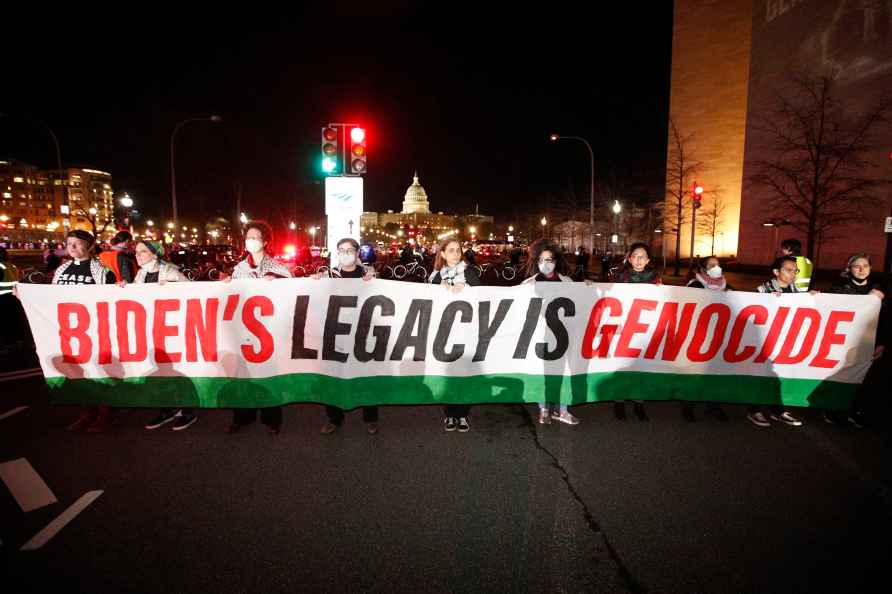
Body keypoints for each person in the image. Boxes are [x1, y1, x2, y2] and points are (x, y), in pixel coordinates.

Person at [224, 221, 292, 435]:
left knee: (269, 374)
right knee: (243, 375)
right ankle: (243, 416)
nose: (251, 241)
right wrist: (226, 284)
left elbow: (292, 294)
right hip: (243, 332)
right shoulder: (239, 269)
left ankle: (272, 418)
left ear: (265, 241)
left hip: (269, 333)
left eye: (255, 237)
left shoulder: (277, 268)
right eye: (248, 237)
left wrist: (277, 283)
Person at [126, 240, 197, 432]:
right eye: (136, 252)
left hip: (173, 331)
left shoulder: (170, 272)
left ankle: (187, 410)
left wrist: (173, 289)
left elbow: (192, 294)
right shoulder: (141, 274)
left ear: (154, 254)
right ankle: (167, 408)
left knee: (178, 371)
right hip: (152, 330)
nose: (137, 255)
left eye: (142, 251)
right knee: (160, 372)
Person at [50, 231, 117, 432]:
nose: (72, 248)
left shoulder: (102, 271)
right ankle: (87, 412)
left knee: (98, 372)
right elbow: (51, 296)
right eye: (69, 244)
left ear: (89, 246)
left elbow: (111, 299)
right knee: (78, 373)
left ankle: (105, 413)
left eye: (77, 244)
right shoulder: (61, 270)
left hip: (95, 331)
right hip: (70, 331)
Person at [313, 237, 378, 435]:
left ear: (357, 253)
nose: (345, 253)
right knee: (334, 376)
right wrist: (314, 283)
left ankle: (370, 418)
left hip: (362, 333)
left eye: (349, 250)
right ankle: (334, 418)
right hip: (335, 332)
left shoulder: (368, 275)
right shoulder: (328, 276)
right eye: (341, 250)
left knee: (366, 375)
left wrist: (374, 280)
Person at [522, 240, 583, 426]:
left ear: (556, 261)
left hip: (562, 338)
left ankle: (562, 410)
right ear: (535, 261)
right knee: (542, 374)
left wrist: (587, 287)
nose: (545, 263)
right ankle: (544, 409)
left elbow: (581, 306)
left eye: (549, 259)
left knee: (563, 373)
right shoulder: (527, 285)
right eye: (541, 260)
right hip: (539, 338)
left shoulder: (568, 282)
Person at [825, 253, 888, 427]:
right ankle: (832, 409)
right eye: (857, 266)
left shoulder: (880, 289)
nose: (861, 270)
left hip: (868, 341)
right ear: (849, 269)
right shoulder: (839, 287)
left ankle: (854, 410)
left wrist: (882, 343)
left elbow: (883, 319)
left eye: (865, 266)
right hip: (843, 341)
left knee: (863, 378)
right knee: (841, 375)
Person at [748, 255, 809, 428]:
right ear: (776, 272)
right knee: (762, 375)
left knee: (782, 375)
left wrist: (812, 298)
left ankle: (778, 410)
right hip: (765, 341)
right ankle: (755, 409)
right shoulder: (762, 290)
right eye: (788, 270)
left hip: (786, 341)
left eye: (795, 270)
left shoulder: (797, 292)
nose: (793, 274)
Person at [429, 237, 481, 432]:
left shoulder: (469, 272)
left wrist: (465, 286)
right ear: (442, 254)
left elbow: (481, 292)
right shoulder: (435, 276)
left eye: (458, 250)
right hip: (444, 333)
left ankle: (462, 414)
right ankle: (450, 414)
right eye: (450, 250)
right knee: (449, 374)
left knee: (465, 373)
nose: (455, 254)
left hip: (466, 331)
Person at [611, 242, 661, 421]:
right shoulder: (620, 276)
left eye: (643, 256)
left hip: (644, 331)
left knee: (641, 367)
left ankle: (639, 404)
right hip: (623, 328)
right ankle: (619, 402)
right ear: (630, 258)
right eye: (635, 256)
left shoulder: (655, 279)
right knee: (622, 366)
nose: (639, 260)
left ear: (648, 260)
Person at [683, 256, 732, 422]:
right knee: (695, 372)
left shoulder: (727, 286)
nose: (716, 268)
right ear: (703, 269)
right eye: (711, 265)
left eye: (718, 265)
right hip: (697, 336)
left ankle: (714, 406)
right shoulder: (694, 285)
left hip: (719, 337)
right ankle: (688, 406)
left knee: (716, 371)